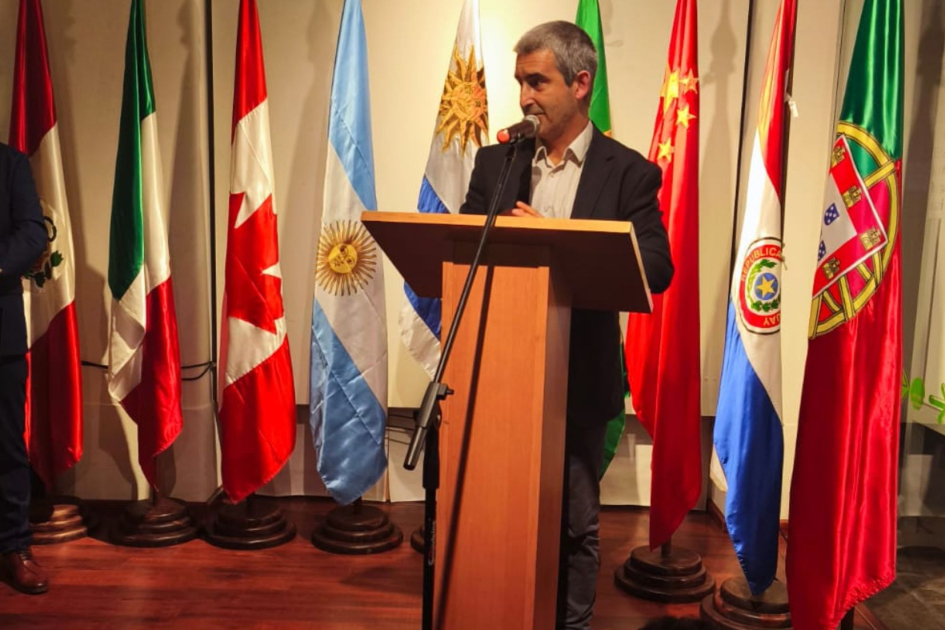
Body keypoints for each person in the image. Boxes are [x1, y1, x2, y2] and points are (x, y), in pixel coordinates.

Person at [460, 21, 673, 630]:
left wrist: (556, 240)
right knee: (497, 516)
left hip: (579, 375)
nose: (524, 97)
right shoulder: (497, 161)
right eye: (520, 83)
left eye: (538, 82)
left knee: (575, 523)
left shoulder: (628, 172)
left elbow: (656, 266)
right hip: (500, 371)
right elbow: (463, 241)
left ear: (581, 84)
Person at [0, 142, 49, 595]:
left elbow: (33, 234)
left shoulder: (10, 164)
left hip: (2, 336)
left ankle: (15, 546)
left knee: (7, 449)